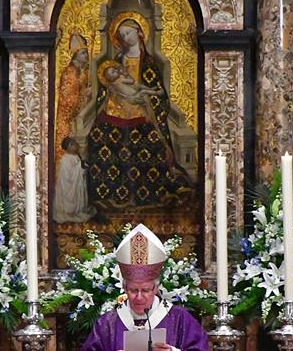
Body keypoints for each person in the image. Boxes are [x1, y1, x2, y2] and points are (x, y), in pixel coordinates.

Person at [76, 224, 211, 351]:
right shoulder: (108, 323)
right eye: (132, 290)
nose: (139, 297)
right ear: (124, 287)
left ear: (156, 288)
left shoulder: (180, 320)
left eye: (146, 290)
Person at [87, 16, 192, 210]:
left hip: (142, 114)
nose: (126, 38)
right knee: (98, 137)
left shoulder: (149, 63)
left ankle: (149, 197)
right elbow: (106, 87)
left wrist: (142, 99)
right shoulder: (117, 60)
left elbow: (160, 95)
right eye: (122, 35)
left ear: (140, 32)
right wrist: (114, 93)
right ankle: (108, 195)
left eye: (128, 32)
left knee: (150, 144)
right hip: (116, 111)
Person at [55, 32, 90, 163]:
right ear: (75, 54)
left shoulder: (82, 71)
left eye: (86, 53)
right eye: (83, 53)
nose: (86, 56)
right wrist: (83, 94)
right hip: (67, 120)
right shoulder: (70, 72)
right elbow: (68, 100)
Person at [53, 136, 95, 223]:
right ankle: (69, 212)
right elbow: (68, 175)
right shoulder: (65, 159)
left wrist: (82, 165)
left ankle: (78, 211)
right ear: (69, 146)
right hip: (68, 186)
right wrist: (80, 166)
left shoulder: (76, 156)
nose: (77, 146)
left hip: (77, 184)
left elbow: (80, 168)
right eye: (74, 144)